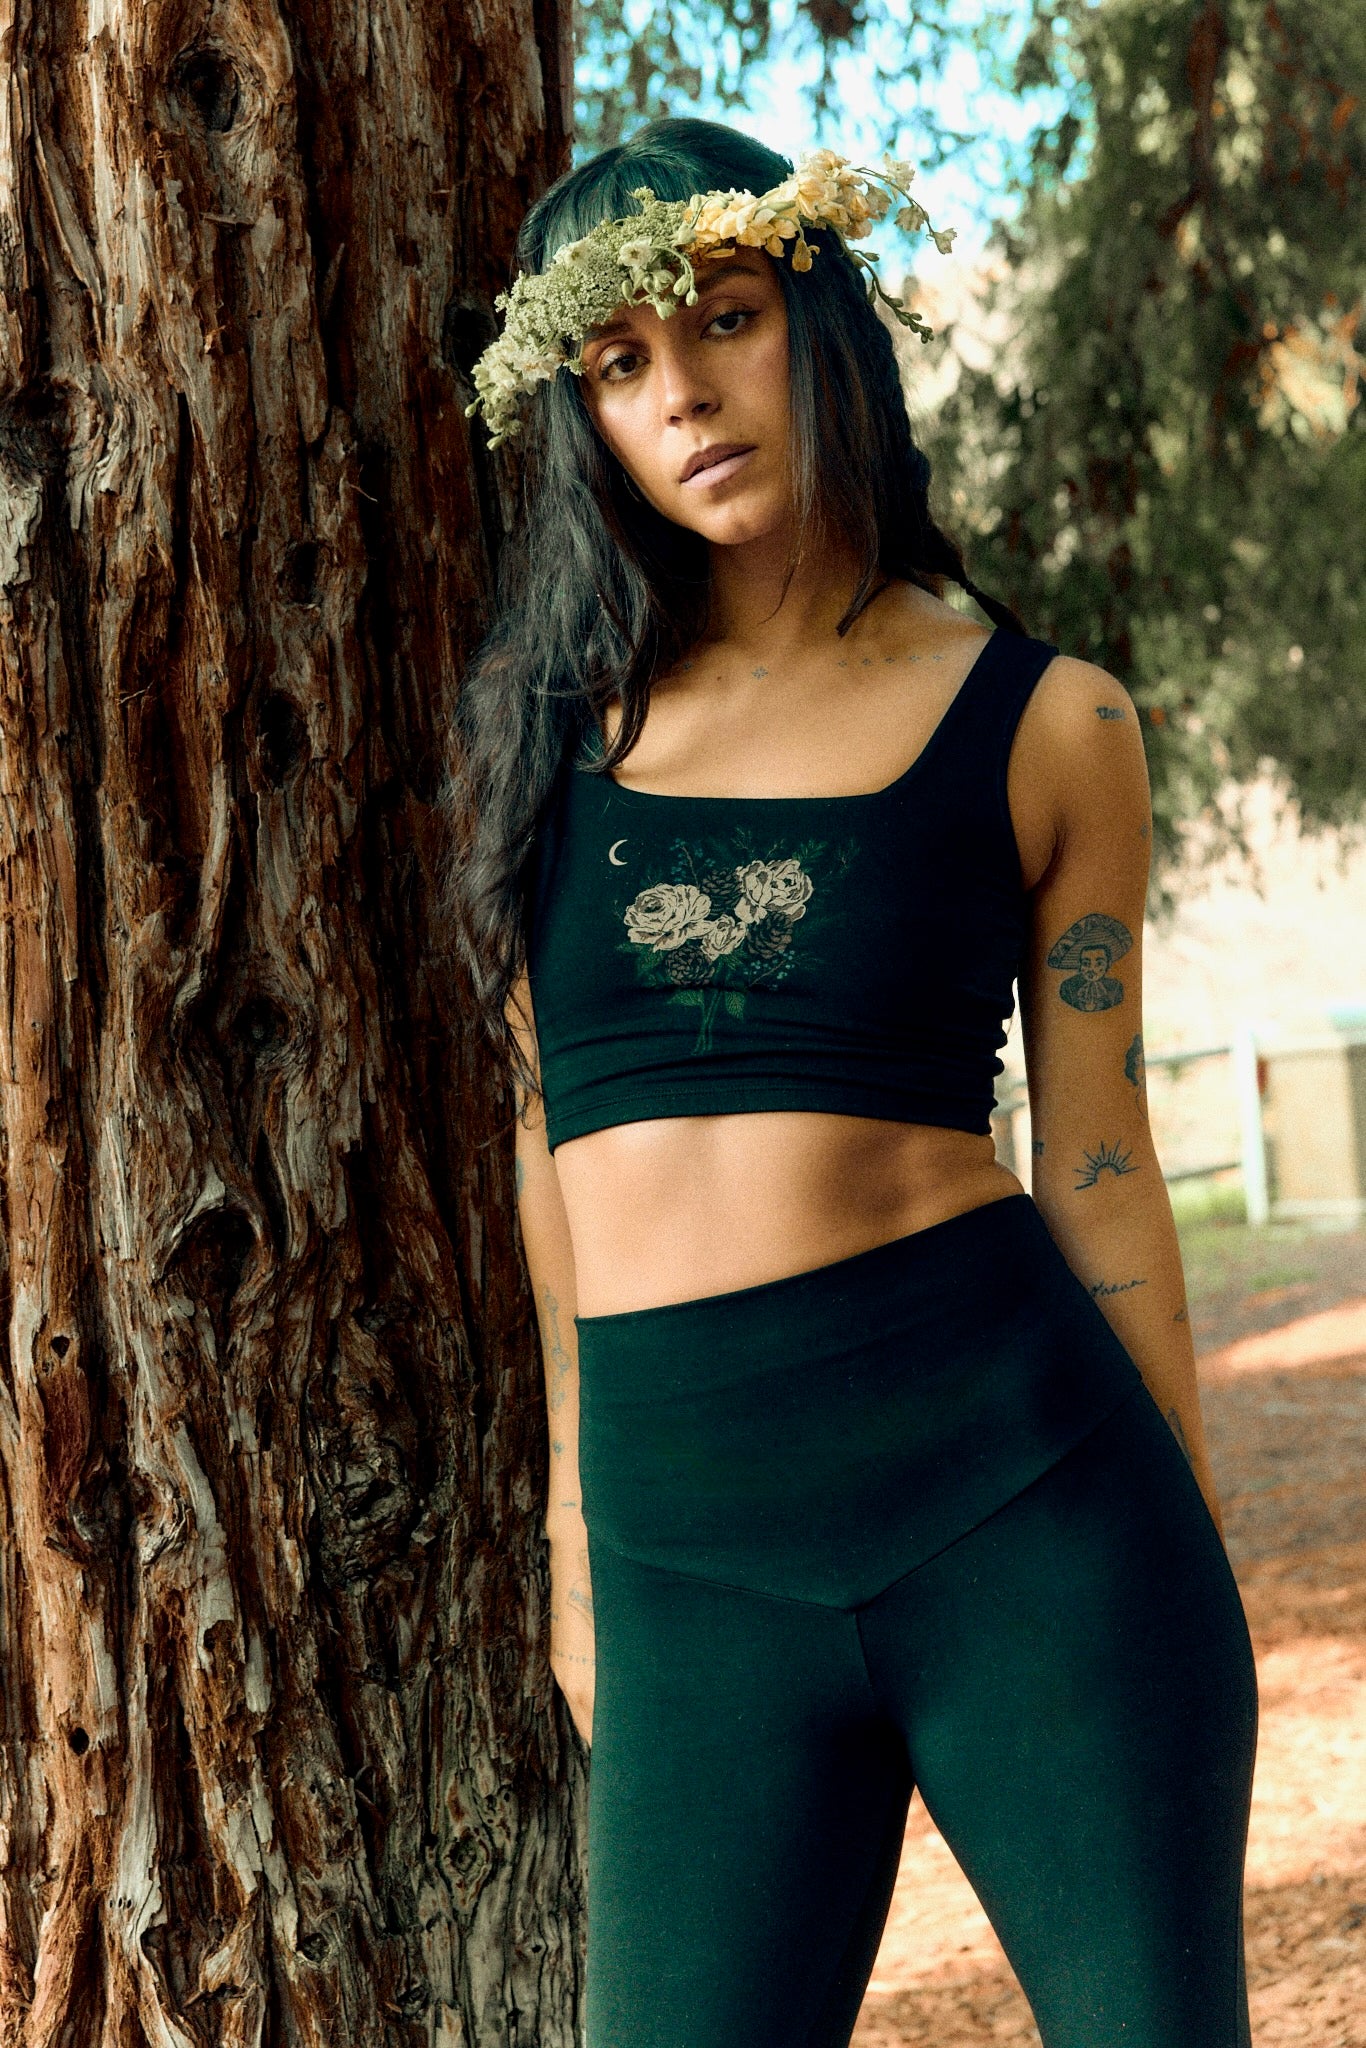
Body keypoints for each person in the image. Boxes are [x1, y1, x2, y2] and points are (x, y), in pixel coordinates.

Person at [444, 116, 1257, 2048]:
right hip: (684, 1561)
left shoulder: (1044, 719)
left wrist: (1187, 1546)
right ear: (583, 419)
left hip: (1030, 1512)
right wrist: (570, 1527)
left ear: (815, 323)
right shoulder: (550, 746)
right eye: (620, 362)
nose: (682, 393)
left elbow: (1100, 1159)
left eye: (723, 320)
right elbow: (550, 1144)